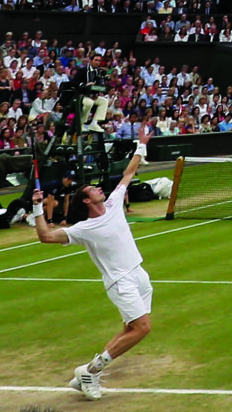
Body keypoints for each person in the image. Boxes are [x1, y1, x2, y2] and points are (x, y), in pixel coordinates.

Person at [31, 129, 152, 402]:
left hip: (139, 274)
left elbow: (129, 174)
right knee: (142, 327)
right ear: (87, 201)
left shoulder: (114, 203)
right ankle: (92, 371)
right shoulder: (84, 228)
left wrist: (141, 146)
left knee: (131, 329)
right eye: (93, 189)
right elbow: (45, 236)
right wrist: (38, 208)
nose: (100, 188)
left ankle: (87, 372)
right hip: (121, 282)